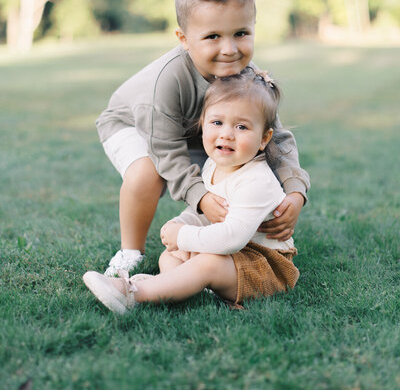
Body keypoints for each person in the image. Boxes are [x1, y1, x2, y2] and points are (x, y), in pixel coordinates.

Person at [96, 0, 310, 276]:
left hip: (197, 128)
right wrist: (201, 196)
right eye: (212, 36)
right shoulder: (167, 82)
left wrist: (295, 190)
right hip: (134, 125)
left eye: (241, 33)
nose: (229, 49)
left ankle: (235, 238)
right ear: (184, 38)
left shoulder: (250, 82)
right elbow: (166, 151)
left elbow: (274, 138)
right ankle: (131, 250)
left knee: (248, 157)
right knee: (147, 172)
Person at [83, 69, 300, 314]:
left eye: (241, 127)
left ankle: (132, 293)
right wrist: (178, 224)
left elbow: (231, 238)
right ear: (203, 125)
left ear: (264, 138)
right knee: (171, 255)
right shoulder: (215, 164)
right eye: (217, 123)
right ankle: (185, 287)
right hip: (233, 256)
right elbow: (207, 214)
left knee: (207, 263)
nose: (226, 134)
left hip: (262, 264)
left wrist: (183, 234)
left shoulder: (256, 181)